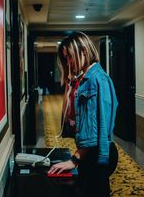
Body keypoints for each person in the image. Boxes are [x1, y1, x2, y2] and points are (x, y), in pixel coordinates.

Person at [48, 32, 119, 197]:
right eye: (65, 59)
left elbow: (99, 129)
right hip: (86, 152)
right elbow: (68, 118)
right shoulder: (82, 79)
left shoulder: (98, 79)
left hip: (97, 153)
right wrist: (68, 80)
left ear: (84, 52)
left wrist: (75, 159)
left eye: (70, 57)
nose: (69, 62)